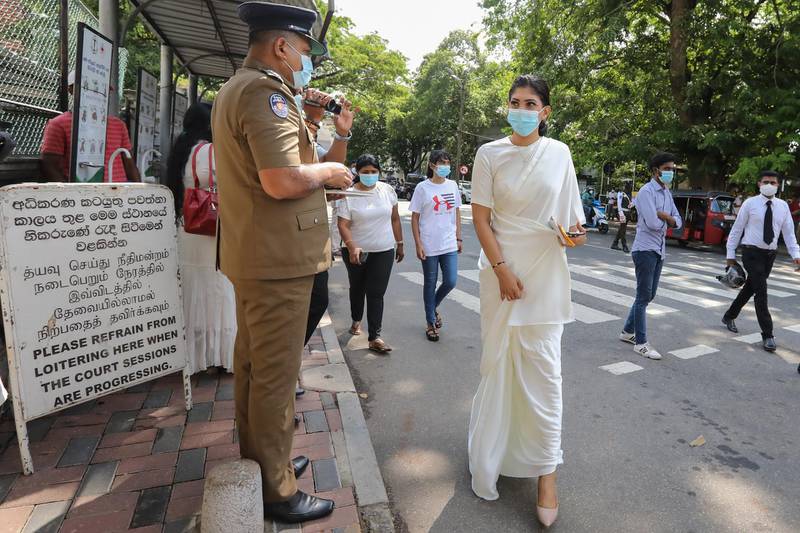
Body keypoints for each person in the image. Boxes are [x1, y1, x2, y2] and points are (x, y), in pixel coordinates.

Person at [211, 2, 352, 523]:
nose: (306, 61)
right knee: (274, 374)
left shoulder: (246, 89)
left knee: (253, 368)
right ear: (281, 45)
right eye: (305, 50)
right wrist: (333, 171)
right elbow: (282, 180)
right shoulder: (264, 92)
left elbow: (280, 163)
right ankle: (276, 491)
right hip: (277, 260)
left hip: (256, 254)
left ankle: (264, 461)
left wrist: (313, 121)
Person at [468, 74, 586, 528]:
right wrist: (502, 271)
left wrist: (573, 236)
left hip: (545, 273)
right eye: (515, 101)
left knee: (546, 375)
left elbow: (573, 220)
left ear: (545, 112)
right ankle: (494, 451)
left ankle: (546, 475)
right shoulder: (488, 153)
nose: (521, 108)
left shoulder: (560, 154)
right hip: (501, 272)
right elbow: (480, 219)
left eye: (530, 102)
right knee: (500, 366)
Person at [166, 103, 236, 375]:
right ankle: (218, 355)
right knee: (218, 289)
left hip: (188, 228)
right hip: (212, 228)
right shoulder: (210, 151)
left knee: (195, 290)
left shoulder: (180, 151)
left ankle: (194, 355)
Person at [721, 171, 800, 352]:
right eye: (766, 182)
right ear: (759, 183)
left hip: (769, 255)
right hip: (751, 253)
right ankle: (768, 335)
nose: (769, 185)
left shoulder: (782, 207)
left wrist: (796, 255)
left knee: (751, 288)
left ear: (778, 185)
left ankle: (729, 316)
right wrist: (730, 255)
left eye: (773, 182)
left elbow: (788, 234)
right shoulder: (750, 203)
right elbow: (737, 229)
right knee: (761, 292)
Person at [300, 89, 354, 345]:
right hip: (286, 234)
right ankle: (280, 370)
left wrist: (341, 133)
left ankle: (288, 363)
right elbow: (291, 167)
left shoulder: (307, 130)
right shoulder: (283, 114)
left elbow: (330, 166)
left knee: (316, 301)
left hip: (311, 233)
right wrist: (310, 118)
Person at [337, 154, 404, 353]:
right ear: (357, 172)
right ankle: (356, 319)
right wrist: (351, 246)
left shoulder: (387, 190)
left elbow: (395, 219)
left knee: (376, 293)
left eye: (374, 172)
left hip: (383, 250)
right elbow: (343, 224)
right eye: (366, 172)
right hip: (355, 251)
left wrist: (399, 243)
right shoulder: (349, 195)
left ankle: (375, 337)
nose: (370, 175)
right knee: (357, 288)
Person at [618, 153, 682, 360]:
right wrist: (667, 219)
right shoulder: (646, 192)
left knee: (649, 295)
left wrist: (664, 216)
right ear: (656, 170)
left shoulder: (666, 193)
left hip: (659, 250)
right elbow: (654, 225)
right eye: (667, 168)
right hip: (644, 249)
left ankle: (627, 331)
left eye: (672, 169)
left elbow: (678, 222)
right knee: (643, 296)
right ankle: (641, 343)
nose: (670, 172)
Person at [41, 71, 140, 182]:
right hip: (84, 195)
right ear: (71, 90)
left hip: (118, 193)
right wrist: (71, 195)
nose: (97, 93)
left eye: (102, 90)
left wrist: (141, 192)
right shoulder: (58, 124)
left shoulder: (118, 125)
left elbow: (129, 163)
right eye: (89, 88)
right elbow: (50, 165)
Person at [410, 149, 462, 342]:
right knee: (430, 283)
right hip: (429, 243)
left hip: (448, 243)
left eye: (448, 163)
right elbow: (415, 218)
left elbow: (456, 212)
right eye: (442, 163)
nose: (445, 166)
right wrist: (418, 243)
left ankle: (432, 307)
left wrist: (459, 238)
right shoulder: (422, 188)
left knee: (450, 281)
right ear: (432, 165)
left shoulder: (453, 185)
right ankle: (430, 322)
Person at [611, 184, 632, 252]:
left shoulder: (629, 194)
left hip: (627, 213)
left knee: (622, 229)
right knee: (623, 229)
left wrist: (631, 205)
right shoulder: (621, 193)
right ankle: (624, 245)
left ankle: (615, 243)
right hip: (622, 213)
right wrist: (621, 213)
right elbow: (619, 204)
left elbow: (630, 204)